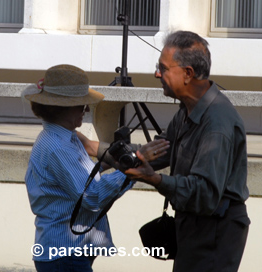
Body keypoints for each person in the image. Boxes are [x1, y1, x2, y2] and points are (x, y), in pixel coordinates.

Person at [124, 30, 251, 272]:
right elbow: (156, 152)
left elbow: (204, 193)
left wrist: (155, 180)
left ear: (187, 74)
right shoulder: (187, 110)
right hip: (193, 229)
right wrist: (99, 150)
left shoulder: (217, 122)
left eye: (163, 68)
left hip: (214, 232)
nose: (156, 74)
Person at [23, 64, 168, 272]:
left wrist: (121, 160)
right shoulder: (58, 147)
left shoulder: (61, 136)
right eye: (82, 105)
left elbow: (82, 172)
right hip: (66, 252)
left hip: (65, 250)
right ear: (62, 108)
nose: (87, 110)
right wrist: (133, 165)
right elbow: (91, 196)